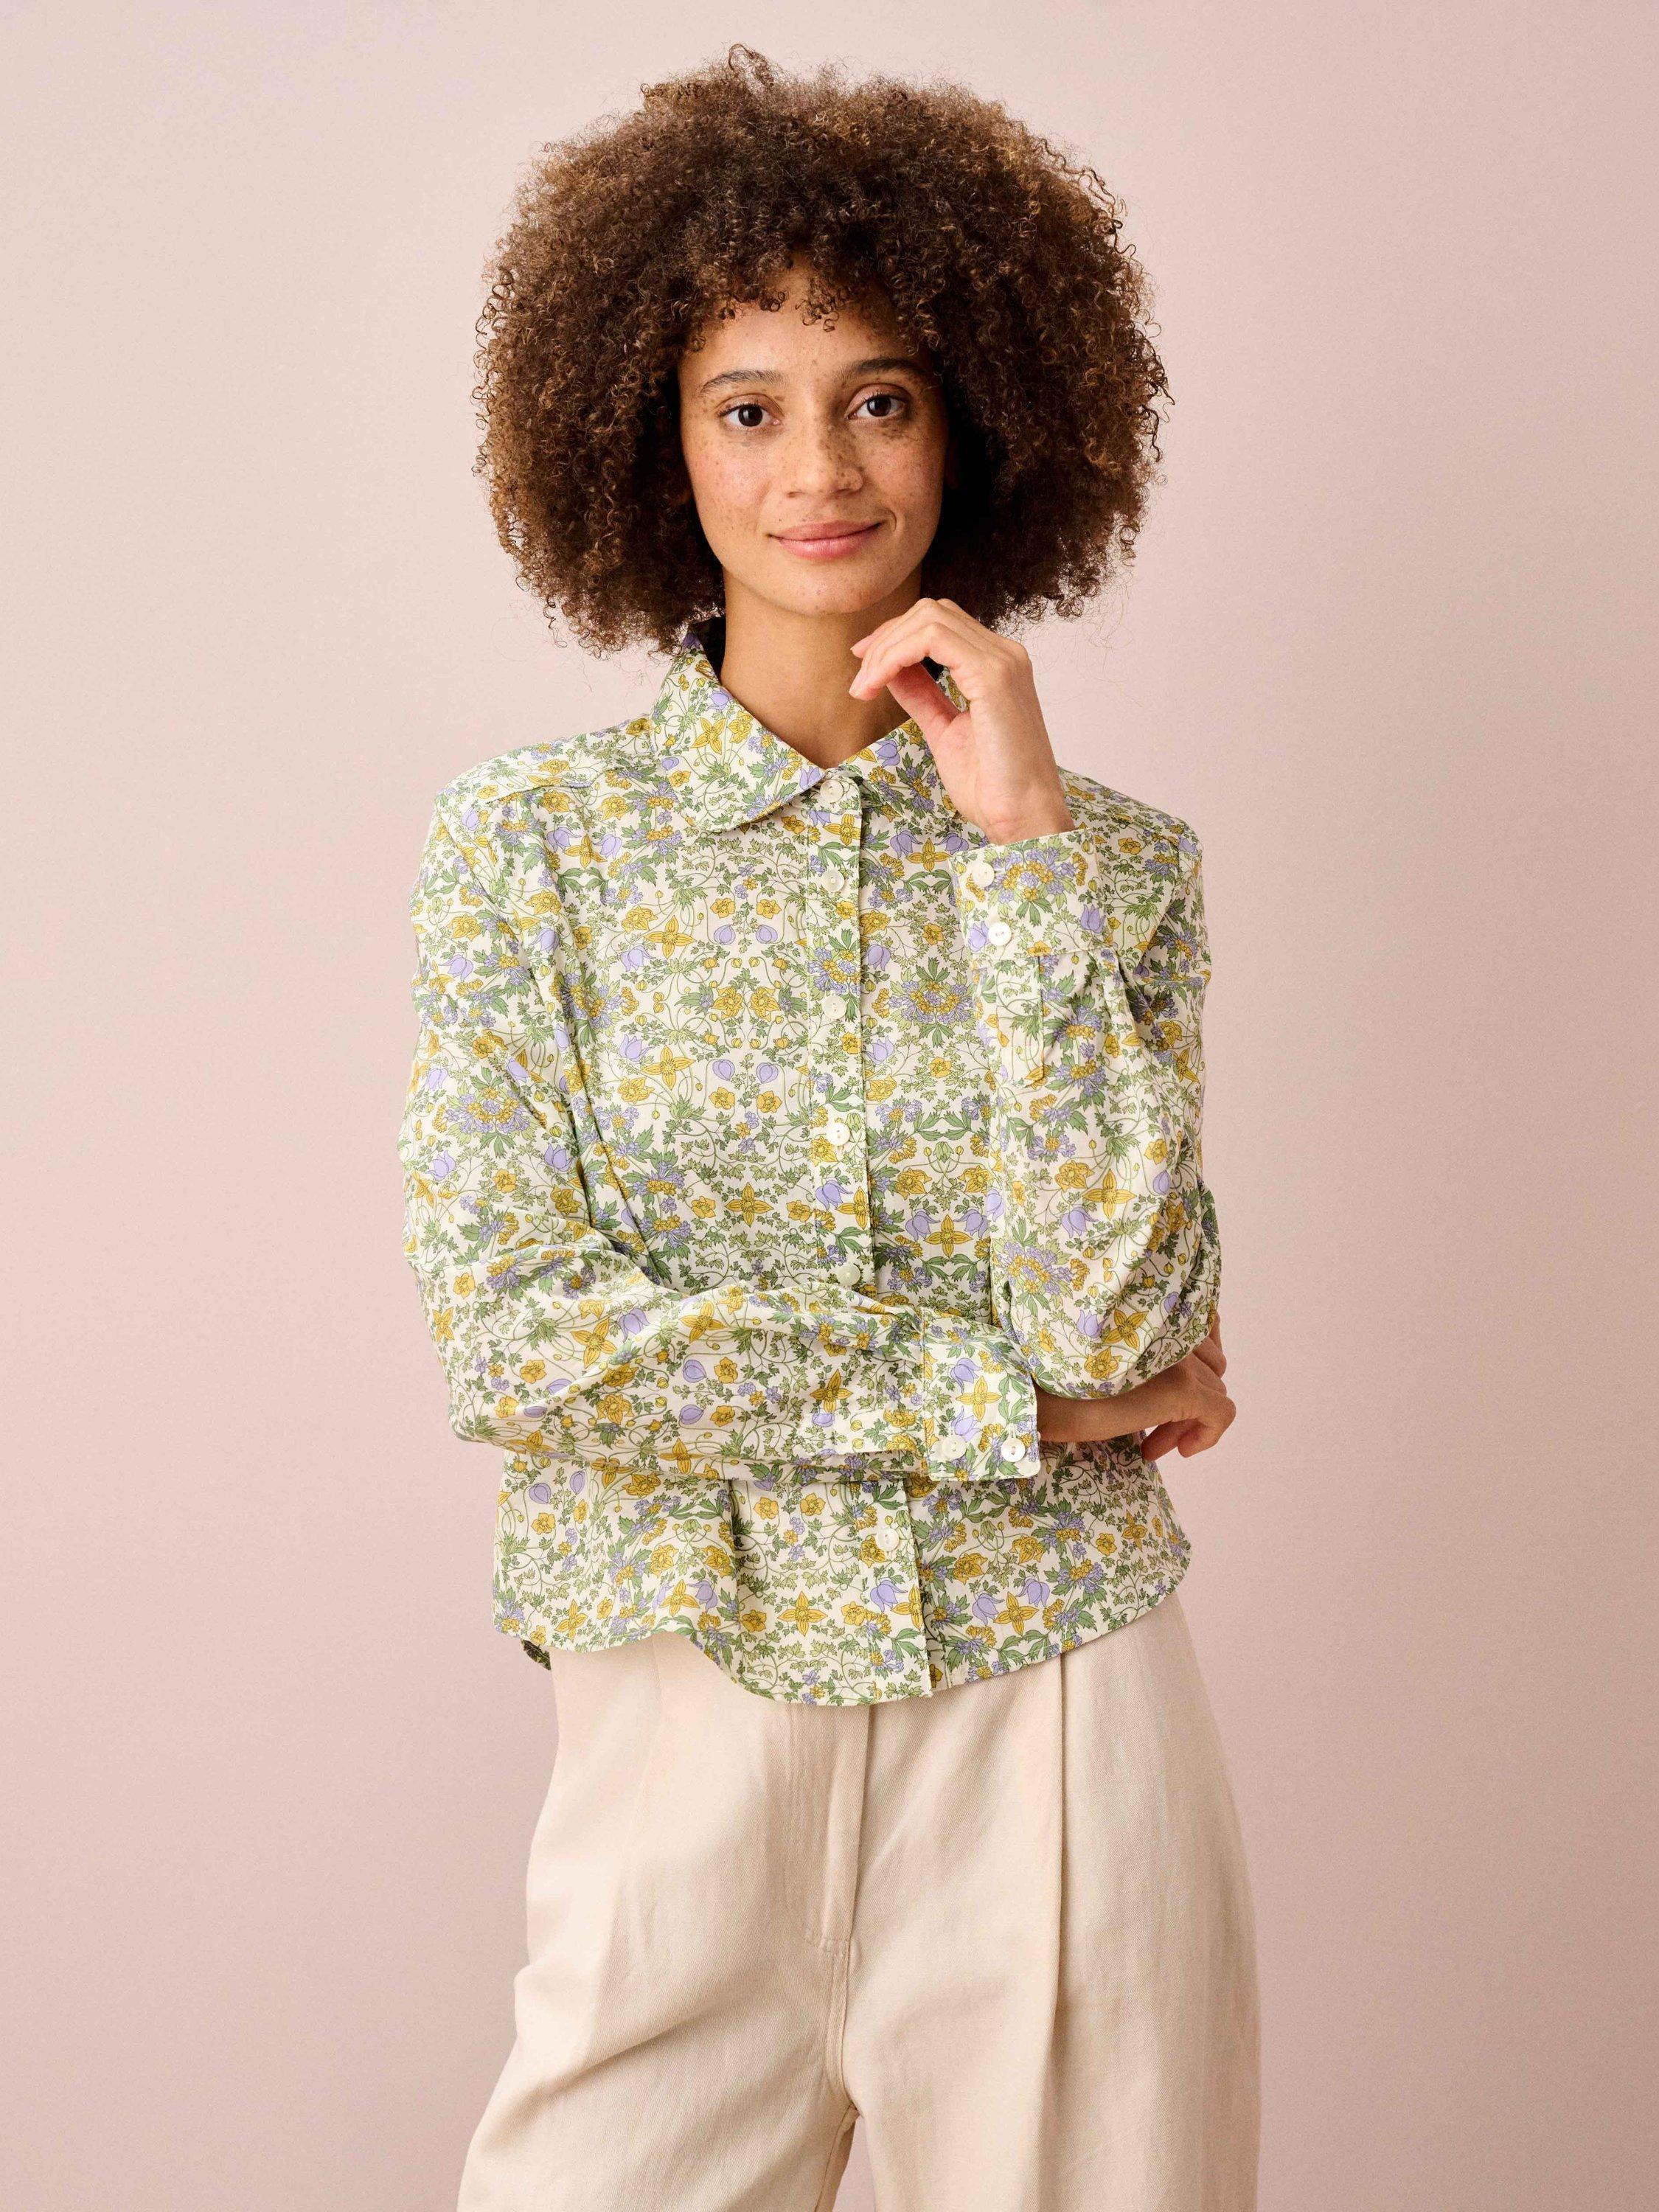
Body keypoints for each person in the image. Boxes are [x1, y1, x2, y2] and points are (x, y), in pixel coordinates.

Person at [397, 44, 1259, 2212]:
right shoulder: (532, 853)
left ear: (973, 426)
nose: (819, 470)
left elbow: (1127, 1318)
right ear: (651, 439)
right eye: (747, 406)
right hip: (682, 1702)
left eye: (879, 398)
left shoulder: (1109, 863)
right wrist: (1005, 1407)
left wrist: (1022, 850)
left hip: (1056, 1718)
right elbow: (520, 1338)